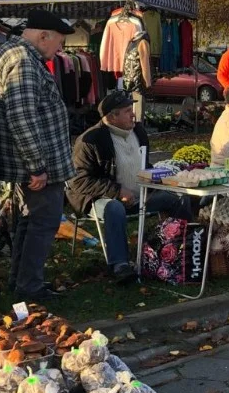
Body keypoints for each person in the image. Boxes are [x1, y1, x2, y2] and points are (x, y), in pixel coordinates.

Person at [0, 9, 76, 302]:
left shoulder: (13, 54)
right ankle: (29, 285)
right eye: (59, 42)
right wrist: (37, 166)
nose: (60, 49)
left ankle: (22, 281)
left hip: (28, 161)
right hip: (35, 163)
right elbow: (22, 117)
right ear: (43, 35)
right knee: (42, 222)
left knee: (29, 221)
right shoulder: (23, 60)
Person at [67, 91, 192, 279]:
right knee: (114, 208)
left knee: (177, 198)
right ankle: (120, 265)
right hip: (99, 198)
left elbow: (144, 165)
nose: (133, 114)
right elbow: (80, 180)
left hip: (140, 195)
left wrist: (160, 177)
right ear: (111, 117)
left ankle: (187, 250)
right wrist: (117, 192)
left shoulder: (139, 132)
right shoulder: (91, 140)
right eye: (127, 111)